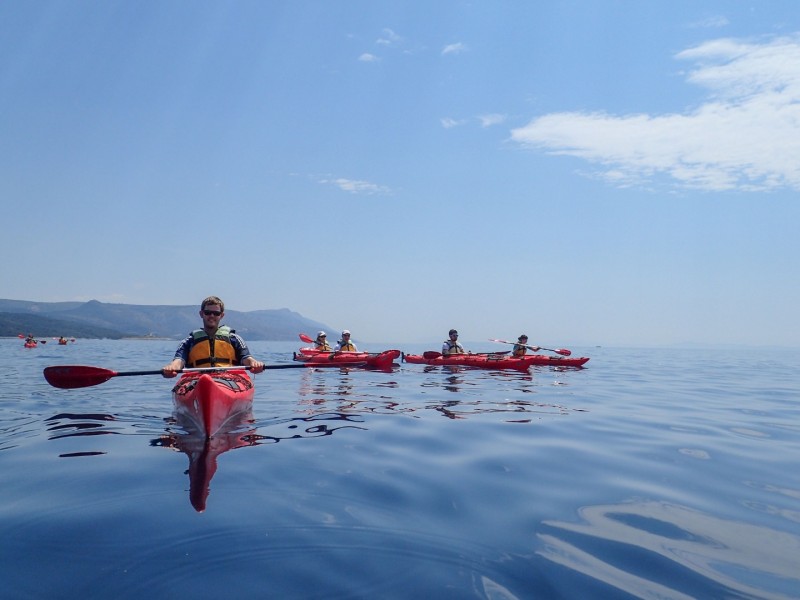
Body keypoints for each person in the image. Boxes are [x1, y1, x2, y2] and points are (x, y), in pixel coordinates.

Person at [162, 296, 265, 377]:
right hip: (196, 380)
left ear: (221, 315)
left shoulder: (234, 339)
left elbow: (246, 358)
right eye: (208, 313)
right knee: (204, 380)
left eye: (216, 313)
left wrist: (254, 363)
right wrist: (172, 367)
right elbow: (179, 361)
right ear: (201, 314)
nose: (212, 316)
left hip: (229, 379)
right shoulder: (189, 341)